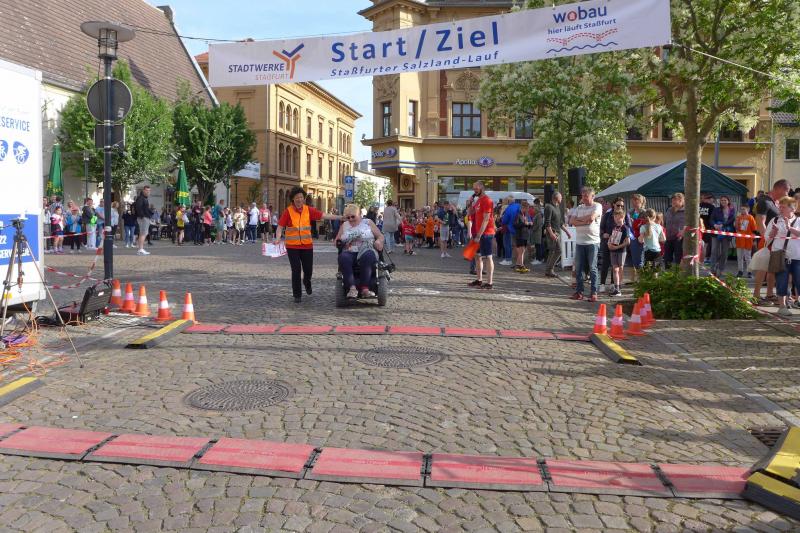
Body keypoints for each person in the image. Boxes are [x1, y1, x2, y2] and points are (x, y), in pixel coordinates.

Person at [274, 187, 342, 303]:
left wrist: (340, 217)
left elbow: (323, 215)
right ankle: (297, 295)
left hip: (307, 246)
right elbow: (280, 226)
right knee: (296, 270)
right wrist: (277, 238)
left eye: (301, 197)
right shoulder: (288, 211)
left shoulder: (308, 210)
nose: (299, 199)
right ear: (293, 199)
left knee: (308, 270)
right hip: (292, 246)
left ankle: (307, 282)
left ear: (304, 198)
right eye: (297, 198)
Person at [754, 179, 793, 304]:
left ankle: (770, 295)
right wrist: (767, 240)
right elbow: (760, 222)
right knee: (762, 267)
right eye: (787, 191)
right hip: (767, 241)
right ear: (779, 188)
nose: (787, 194)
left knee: (771, 269)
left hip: (774, 242)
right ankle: (756, 296)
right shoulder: (764, 201)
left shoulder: (774, 203)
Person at [335, 204, 385, 299]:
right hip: (350, 250)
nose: (350, 219)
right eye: (348, 217)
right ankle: (352, 288)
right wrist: (340, 241)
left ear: (360, 214)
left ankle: (365, 289)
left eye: (353, 216)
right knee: (343, 257)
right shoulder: (345, 225)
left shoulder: (368, 222)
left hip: (367, 248)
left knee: (368, 256)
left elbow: (380, 236)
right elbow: (337, 240)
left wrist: (379, 241)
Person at [766, 196, 800, 316]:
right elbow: (767, 240)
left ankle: (796, 301)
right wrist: (773, 232)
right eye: (779, 206)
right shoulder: (775, 220)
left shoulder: (799, 220)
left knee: (799, 280)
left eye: (783, 207)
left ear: (793, 209)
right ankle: (782, 306)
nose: (780, 209)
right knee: (781, 281)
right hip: (780, 255)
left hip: (797, 256)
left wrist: (790, 228)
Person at [570, 187, 603, 301]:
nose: (583, 198)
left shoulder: (597, 206)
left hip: (592, 242)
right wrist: (585, 221)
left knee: (592, 268)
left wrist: (579, 220)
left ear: (592, 196)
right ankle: (579, 292)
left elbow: (592, 218)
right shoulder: (579, 207)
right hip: (580, 242)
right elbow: (572, 221)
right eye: (582, 196)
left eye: (586, 196)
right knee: (578, 268)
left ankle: (594, 292)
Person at [599, 197, 631, 293]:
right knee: (605, 263)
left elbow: (629, 227)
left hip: (620, 244)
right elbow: (601, 227)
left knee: (616, 266)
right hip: (608, 242)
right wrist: (603, 234)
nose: (620, 207)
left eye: (622, 206)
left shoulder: (625, 214)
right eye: (618, 205)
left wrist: (623, 226)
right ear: (613, 204)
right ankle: (602, 284)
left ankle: (614, 284)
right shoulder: (607, 215)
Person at [468, 181, 496, 290]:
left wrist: (479, 235)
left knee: (488, 257)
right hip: (478, 232)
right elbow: (470, 213)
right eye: (473, 189)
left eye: (476, 188)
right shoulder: (478, 200)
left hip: (486, 233)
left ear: (482, 188)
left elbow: (486, 219)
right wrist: (470, 203)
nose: (474, 191)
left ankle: (489, 282)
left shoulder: (487, 200)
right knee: (477, 256)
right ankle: (479, 280)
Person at [709, 195, 736, 277]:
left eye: (725, 200)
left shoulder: (732, 210)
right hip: (716, 233)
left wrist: (722, 224)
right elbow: (711, 219)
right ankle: (712, 269)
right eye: (722, 200)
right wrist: (715, 225)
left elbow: (732, 220)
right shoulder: (716, 209)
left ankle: (720, 269)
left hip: (726, 233)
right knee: (714, 251)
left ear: (728, 201)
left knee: (724, 252)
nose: (723, 201)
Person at [543, 192, 568, 278]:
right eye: (561, 197)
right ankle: (550, 269)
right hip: (553, 233)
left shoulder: (557, 207)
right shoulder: (549, 207)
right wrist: (551, 233)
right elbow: (547, 222)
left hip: (557, 233)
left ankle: (548, 270)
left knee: (553, 251)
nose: (562, 199)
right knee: (558, 251)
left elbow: (560, 222)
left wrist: (567, 232)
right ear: (556, 198)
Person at [607, 209, 631, 296]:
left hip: (621, 251)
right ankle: (616, 287)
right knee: (615, 269)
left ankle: (619, 287)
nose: (617, 219)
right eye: (615, 218)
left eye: (619, 218)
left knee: (620, 268)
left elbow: (628, 242)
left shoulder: (625, 228)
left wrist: (617, 247)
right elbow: (611, 237)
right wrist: (609, 243)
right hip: (613, 250)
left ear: (623, 217)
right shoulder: (614, 227)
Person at [663, 192, 686, 269]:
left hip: (679, 239)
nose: (673, 202)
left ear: (681, 201)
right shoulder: (669, 210)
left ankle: (677, 274)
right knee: (667, 258)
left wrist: (683, 231)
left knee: (678, 258)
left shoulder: (686, 211)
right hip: (668, 238)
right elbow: (665, 222)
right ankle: (667, 274)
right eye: (672, 200)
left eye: (675, 200)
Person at [628, 194, 647, 282]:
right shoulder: (630, 211)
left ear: (642, 202)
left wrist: (636, 223)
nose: (634, 202)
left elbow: (647, 225)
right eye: (633, 200)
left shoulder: (645, 213)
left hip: (640, 238)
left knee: (639, 259)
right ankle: (632, 280)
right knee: (631, 259)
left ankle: (640, 279)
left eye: (636, 200)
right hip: (630, 237)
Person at [735, 204, 757, 277]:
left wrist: (754, 240)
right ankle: (740, 271)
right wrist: (736, 220)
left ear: (748, 210)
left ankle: (749, 272)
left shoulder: (750, 217)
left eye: (744, 209)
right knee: (739, 257)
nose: (742, 210)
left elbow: (754, 229)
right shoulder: (738, 217)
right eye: (741, 209)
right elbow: (736, 228)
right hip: (739, 240)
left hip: (748, 240)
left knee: (748, 257)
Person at [513, 200, 533, 273]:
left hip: (525, 235)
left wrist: (530, 224)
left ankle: (517, 265)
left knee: (523, 251)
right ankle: (521, 266)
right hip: (520, 235)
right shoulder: (518, 215)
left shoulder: (525, 215)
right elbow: (515, 225)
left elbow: (527, 223)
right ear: (523, 207)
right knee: (521, 251)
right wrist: (525, 224)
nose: (528, 210)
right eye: (527, 208)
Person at [133, 185, 153, 255]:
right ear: (143, 190)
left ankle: (140, 249)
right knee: (143, 233)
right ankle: (140, 249)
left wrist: (150, 213)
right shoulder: (141, 198)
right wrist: (142, 216)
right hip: (143, 218)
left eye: (149, 191)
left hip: (144, 217)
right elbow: (138, 207)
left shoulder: (144, 198)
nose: (148, 192)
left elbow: (144, 208)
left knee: (143, 233)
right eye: (147, 190)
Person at [699, 193, 716, 264]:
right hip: (707, 228)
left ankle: (697, 260)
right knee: (705, 245)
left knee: (698, 244)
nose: (712, 201)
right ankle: (702, 261)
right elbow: (712, 218)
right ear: (709, 199)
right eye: (712, 199)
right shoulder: (712, 207)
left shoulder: (698, 205)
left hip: (697, 228)